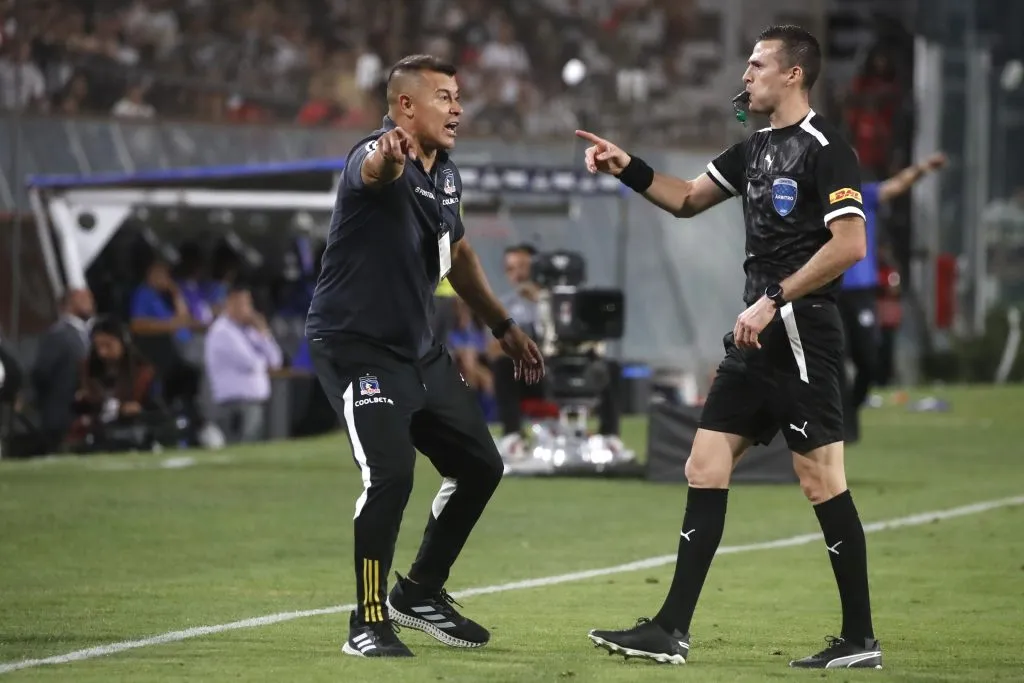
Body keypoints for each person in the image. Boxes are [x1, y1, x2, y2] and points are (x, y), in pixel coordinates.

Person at [578, 25, 882, 669]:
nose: (745, 76)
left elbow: (850, 245)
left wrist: (775, 298)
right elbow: (687, 198)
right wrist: (623, 164)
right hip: (756, 337)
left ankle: (860, 641)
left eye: (757, 64)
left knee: (821, 480)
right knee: (703, 464)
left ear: (793, 74)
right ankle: (670, 629)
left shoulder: (827, 150)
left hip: (801, 332)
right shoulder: (753, 150)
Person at [304, 54, 544, 659]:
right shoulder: (373, 155)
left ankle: (422, 592)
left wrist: (502, 325)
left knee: (482, 466)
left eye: (458, 96)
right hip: (359, 348)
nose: (457, 107)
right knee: (391, 474)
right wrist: (389, 154)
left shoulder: (448, 175)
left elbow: (457, 255)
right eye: (443, 96)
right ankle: (367, 619)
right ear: (405, 105)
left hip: (420, 351)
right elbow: (376, 170)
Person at [840, 152, 947, 441]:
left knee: (868, 360)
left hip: (861, 290)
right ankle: (840, 424)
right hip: (828, 289)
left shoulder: (865, 195)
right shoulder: (817, 199)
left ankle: (850, 410)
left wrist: (923, 167)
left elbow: (897, 185)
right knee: (833, 358)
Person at [204, 285, 283, 444]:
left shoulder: (248, 330)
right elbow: (251, 363)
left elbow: (275, 360)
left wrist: (263, 332)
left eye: (249, 304)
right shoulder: (222, 331)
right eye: (244, 304)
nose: (249, 309)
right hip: (235, 405)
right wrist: (263, 360)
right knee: (241, 448)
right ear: (231, 304)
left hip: (252, 403)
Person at [31, 288, 94, 453]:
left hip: (81, 412)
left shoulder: (87, 333)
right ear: (69, 303)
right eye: (84, 299)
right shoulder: (58, 334)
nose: (90, 303)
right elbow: (41, 372)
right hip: (61, 413)